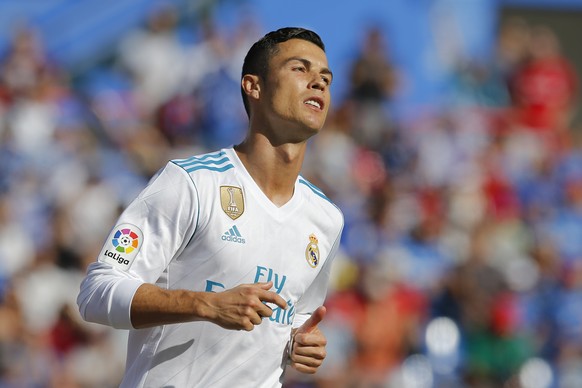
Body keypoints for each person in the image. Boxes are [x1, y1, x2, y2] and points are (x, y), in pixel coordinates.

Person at [77, 27, 344, 388]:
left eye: (326, 77)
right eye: (300, 69)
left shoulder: (326, 219)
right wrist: (207, 305)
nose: (319, 82)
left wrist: (299, 340)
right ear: (254, 86)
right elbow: (97, 292)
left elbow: (298, 312)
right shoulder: (190, 183)